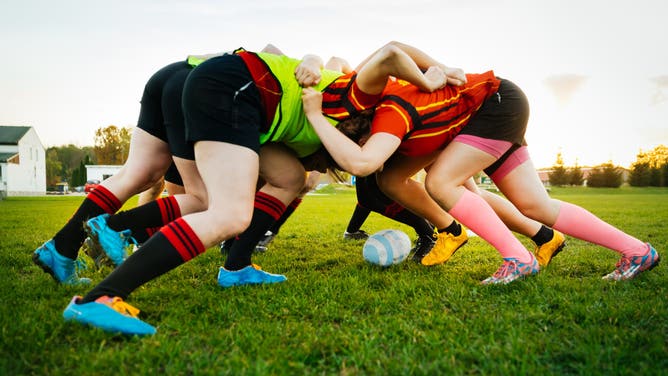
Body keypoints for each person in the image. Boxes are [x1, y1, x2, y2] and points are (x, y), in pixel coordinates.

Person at [61, 41, 456, 335]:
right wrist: (433, 74)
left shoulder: (324, 135)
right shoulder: (362, 96)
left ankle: (237, 267)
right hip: (231, 88)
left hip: (238, 97)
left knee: (290, 179)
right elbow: (390, 54)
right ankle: (99, 297)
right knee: (228, 212)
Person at [303, 58, 660, 284]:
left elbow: (366, 161)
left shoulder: (390, 115)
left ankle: (517, 260)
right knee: (537, 207)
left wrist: (315, 115)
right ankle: (637, 251)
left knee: (440, 182)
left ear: (363, 130)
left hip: (493, 106)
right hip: (499, 106)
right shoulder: (386, 110)